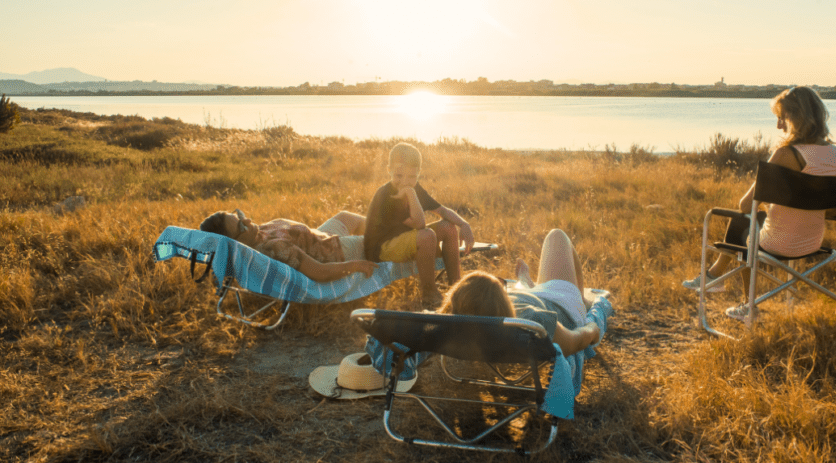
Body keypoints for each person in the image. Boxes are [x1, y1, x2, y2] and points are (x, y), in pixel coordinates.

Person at [682, 86, 836, 321]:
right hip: (813, 242)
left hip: (779, 243)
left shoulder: (785, 154)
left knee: (743, 220)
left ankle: (744, 302)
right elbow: (833, 209)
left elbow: (746, 204)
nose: (779, 125)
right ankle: (713, 276)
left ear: (797, 118)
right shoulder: (835, 154)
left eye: (782, 117)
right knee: (751, 221)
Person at [439, 229, 602, 356]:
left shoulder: (449, 321)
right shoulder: (534, 322)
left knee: (522, 292)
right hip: (561, 302)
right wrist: (592, 328)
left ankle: (525, 283)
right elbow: (574, 342)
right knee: (557, 236)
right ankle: (579, 299)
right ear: (501, 300)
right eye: (502, 287)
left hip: (532, 299)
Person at [364, 142, 475, 309]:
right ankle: (429, 293)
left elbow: (442, 211)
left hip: (404, 241)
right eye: (399, 175)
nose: (405, 181)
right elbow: (420, 224)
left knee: (448, 227)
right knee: (426, 236)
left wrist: (464, 224)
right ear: (389, 170)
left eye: (411, 177)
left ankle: (456, 287)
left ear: (418, 174)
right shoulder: (387, 196)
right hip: (382, 249)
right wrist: (410, 192)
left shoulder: (415, 188)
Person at [198, 209, 377, 282]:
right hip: (336, 252)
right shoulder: (274, 249)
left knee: (346, 216)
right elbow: (319, 272)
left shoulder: (255, 236)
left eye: (239, 214)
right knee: (379, 237)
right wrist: (356, 265)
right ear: (235, 244)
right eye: (242, 224)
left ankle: (391, 225)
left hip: (321, 237)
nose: (248, 219)